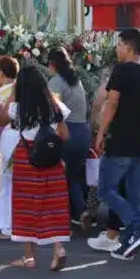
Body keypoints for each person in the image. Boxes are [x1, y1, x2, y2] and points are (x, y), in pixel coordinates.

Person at [94, 28, 140, 260]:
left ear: (128, 47)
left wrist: (101, 131)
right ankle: (128, 245)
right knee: (136, 193)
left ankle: (139, 228)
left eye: (118, 45)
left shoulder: (121, 70)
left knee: (106, 190)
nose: (116, 49)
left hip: (121, 139)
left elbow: (112, 102)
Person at [6, 65, 71, 270]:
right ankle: (58, 249)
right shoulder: (55, 106)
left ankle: (29, 257)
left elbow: (8, 121)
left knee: (26, 205)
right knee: (54, 205)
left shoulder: (17, 108)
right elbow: (65, 135)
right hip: (51, 159)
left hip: (27, 160)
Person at [47, 47, 90, 231]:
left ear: (52, 64)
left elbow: (53, 110)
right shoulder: (76, 81)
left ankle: (66, 220)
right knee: (73, 175)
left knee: (61, 176)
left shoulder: (56, 82)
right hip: (83, 131)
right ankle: (80, 212)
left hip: (68, 132)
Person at [0, 57, 19, 238]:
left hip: (7, 139)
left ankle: (4, 225)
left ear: (1, 72)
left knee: (4, 183)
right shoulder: (24, 88)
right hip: (25, 137)